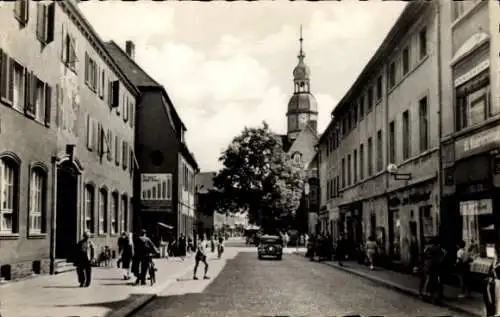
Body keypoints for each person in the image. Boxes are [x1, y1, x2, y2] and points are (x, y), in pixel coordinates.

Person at [484, 250, 500, 317]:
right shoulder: (494, 263)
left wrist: (494, 271)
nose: (495, 257)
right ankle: (494, 312)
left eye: (495, 256)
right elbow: (490, 272)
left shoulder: (497, 265)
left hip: (497, 282)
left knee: (498, 298)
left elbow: (494, 273)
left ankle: (497, 311)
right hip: (493, 282)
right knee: (494, 298)